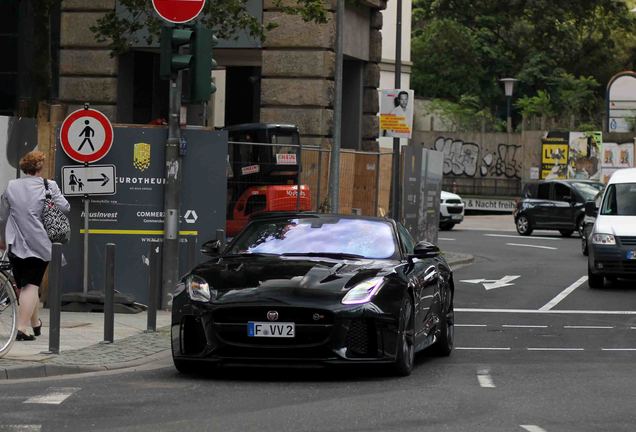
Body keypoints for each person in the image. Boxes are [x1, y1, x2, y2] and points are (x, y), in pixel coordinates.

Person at [0, 150, 70, 341]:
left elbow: (3, 213)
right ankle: (21, 328)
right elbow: (65, 207)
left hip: (15, 242)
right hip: (39, 242)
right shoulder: (49, 185)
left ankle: (35, 323)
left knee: (25, 284)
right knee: (31, 285)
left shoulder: (12, 186)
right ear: (40, 167)